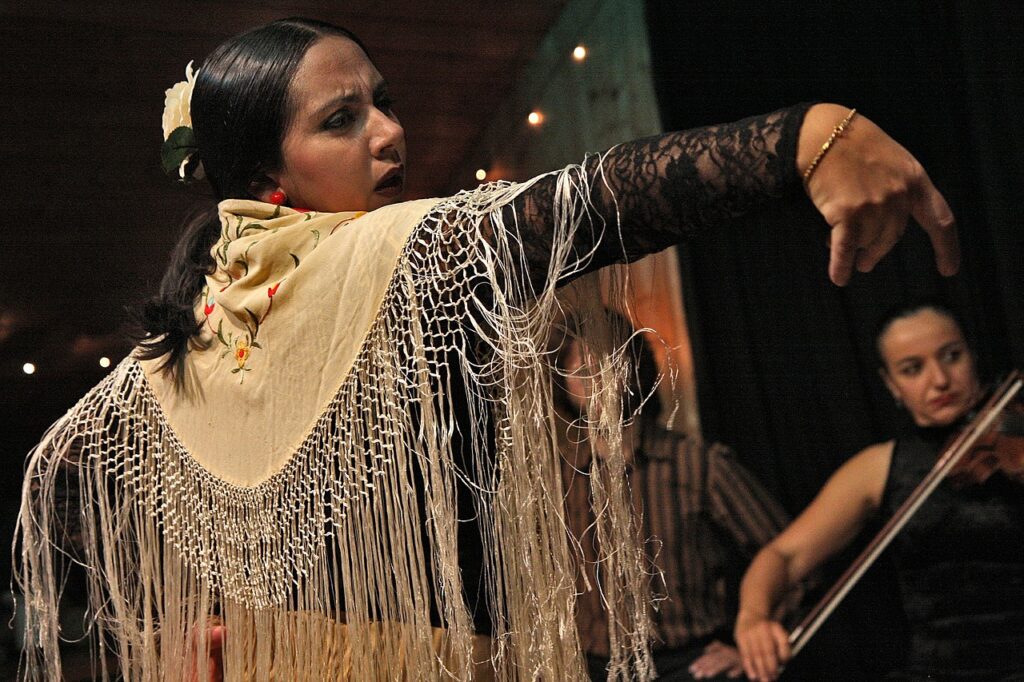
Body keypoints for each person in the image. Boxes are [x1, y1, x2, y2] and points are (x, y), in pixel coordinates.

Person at [15, 16, 959, 681]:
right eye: (342, 120)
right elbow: (587, 205)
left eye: (382, 103)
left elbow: (57, 473)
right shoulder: (389, 257)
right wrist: (801, 140)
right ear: (265, 169)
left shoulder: (180, 350)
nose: (391, 134)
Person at [734, 301, 1024, 681]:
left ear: (972, 355)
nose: (939, 379)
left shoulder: (1015, 435)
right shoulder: (879, 467)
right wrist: (752, 617)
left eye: (952, 356)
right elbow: (783, 555)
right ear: (892, 385)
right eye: (912, 369)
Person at [555, 322, 800, 681]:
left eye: (605, 361)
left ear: (633, 368)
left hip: (688, 663)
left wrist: (749, 644)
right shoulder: (558, 479)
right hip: (591, 668)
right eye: (579, 369)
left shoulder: (697, 463)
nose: (593, 376)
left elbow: (790, 556)